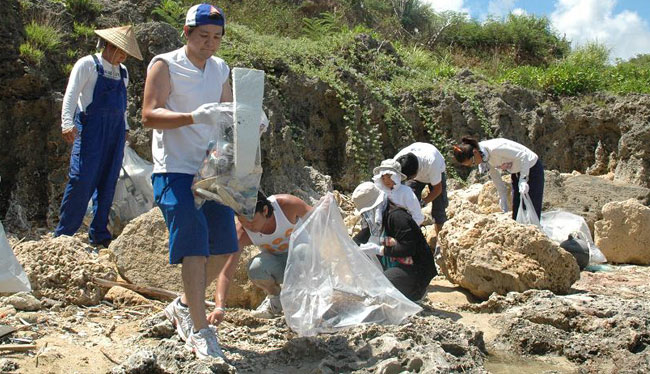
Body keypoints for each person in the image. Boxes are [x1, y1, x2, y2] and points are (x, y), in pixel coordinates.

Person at [141, 3, 235, 360]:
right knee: (194, 243)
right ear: (186, 33)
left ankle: (183, 305)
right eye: (202, 37)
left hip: (211, 168)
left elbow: (227, 112)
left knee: (225, 247)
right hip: (175, 168)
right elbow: (150, 114)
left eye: (216, 38)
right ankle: (200, 330)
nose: (209, 44)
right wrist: (193, 116)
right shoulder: (165, 64)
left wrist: (250, 121)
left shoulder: (220, 68)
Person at [55, 25, 143, 247]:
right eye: (120, 51)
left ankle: (99, 234)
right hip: (91, 130)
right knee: (81, 179)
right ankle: (64, 234)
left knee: (108, 182)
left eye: (126, 54)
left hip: (115, 133)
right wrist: (66, 123)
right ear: (109, 46)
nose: (122, 56)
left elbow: (122, 108)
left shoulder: (123, 72)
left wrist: (125, 129)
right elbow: (72, 95)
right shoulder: (88, 64)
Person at [352, 182, 436, 301]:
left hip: (415, 270)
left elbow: (409, 247)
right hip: (398, 264)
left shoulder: (397, 217)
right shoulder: (377, 221)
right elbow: (359, 239)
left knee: (381, 286)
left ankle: (415, 293)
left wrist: (380, 250)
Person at [235, 192, 312, 319]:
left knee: (302, 250)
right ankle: (275, 300)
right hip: (279, 263)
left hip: (306, 258)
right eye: (244, 222)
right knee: (256, 268)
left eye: (251, 221)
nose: (249, 226)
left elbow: (319, 220)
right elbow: (227, 265)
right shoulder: (242, 232)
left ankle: (307, 297)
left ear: (265, 210)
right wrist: (219, 306)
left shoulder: (285, 206)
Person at [452, 137, 544, 221]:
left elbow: (523, 156)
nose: (474, 165)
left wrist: (523, 179)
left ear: (475, 152)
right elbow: (494, 174)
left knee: (532, 208)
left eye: (472, 162)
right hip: (516, 172)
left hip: (531, 168)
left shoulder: (496, 149)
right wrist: (502, 195)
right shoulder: (484, 156)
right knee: (517, 210)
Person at [394, 142, 448, 235]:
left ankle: (441, 239)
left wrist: (422, 203)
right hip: (416, 173)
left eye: (409, 178)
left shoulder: (432, 162)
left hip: (436, 172)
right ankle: (411, 234)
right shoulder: (398, 162)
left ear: (416, 173)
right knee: (407, 203)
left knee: (439, 207)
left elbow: (437, 190)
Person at [372, 159, 424, 226]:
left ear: (396, 176)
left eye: (389, 177)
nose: (386, 180)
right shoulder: (380, 192)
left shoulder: (406, 192)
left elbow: (417, 216)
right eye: (383, 177)